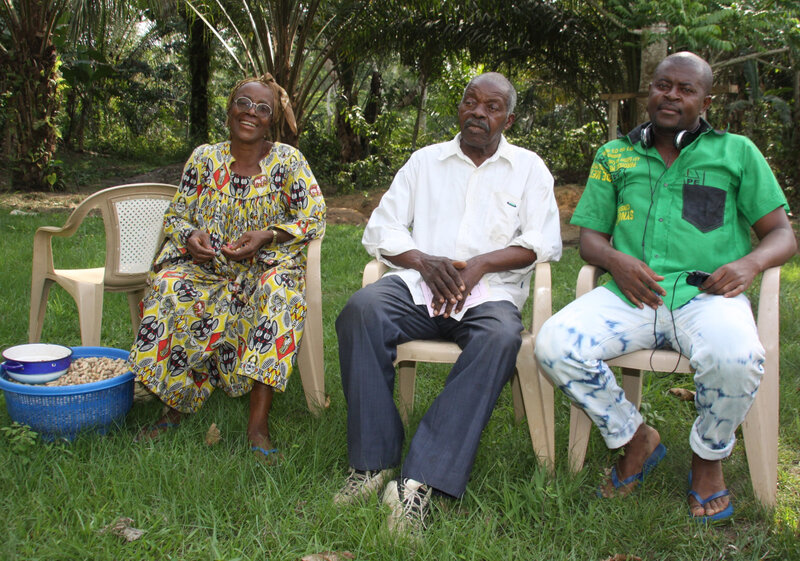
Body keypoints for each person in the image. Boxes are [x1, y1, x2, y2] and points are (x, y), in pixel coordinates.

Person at [535, 52, 796, 522]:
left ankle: (708, 457)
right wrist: (616, 259)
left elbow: (781, 233)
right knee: (553, 345)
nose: (671, 95)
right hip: (630, 295)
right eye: (662, 85)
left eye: (685, 89)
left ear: (706, 101)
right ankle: (635, 438)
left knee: (737, 357)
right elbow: (590, 238)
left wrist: (750, 264)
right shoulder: (614, 155)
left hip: (707, 296)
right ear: (649, 91)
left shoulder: (736, 152)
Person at [334, 72, 562, 535]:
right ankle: (372, 464)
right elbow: (381, 229)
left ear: (508, 118)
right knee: (362, 311)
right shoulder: (425, 162)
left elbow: (544, 241)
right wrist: (422, 260)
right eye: (470, 102)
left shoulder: (529, 168)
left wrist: (479, 265)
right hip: (419, 286)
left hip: (489, 293)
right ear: (459, 108)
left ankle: (421, 481)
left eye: (492, 106)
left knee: (500, 337)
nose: (479, 112)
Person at [129, 74, 326, 461]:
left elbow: (315, 216)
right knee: (170, 285)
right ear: (229, 109)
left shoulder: (288, 161)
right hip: (208, 266)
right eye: (243, 103)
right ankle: (174, 403)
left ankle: (258, 423)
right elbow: (176, 215)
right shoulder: (204, 158)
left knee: (280, 294)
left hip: (265, 267)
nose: (251, 112)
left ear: (272, 120)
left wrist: (268, 235)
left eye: (262, 108)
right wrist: (190, 237)